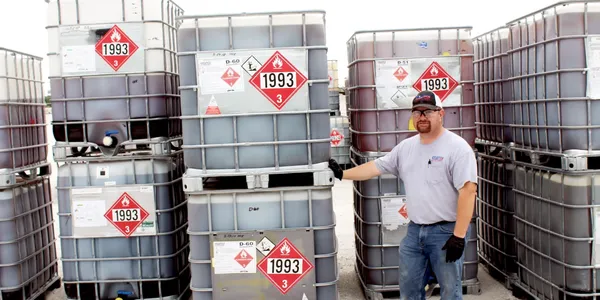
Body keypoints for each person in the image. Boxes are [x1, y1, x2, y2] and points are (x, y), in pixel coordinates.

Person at [328, 90, 478, 300]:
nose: (422, 117)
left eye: (428, 111)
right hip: (415, 232)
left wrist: (459, 236)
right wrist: (342, 174)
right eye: (417, 112)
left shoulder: (457, 148)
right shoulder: (407, 148)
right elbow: (375, 167)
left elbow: (468, 191)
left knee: (450, 291)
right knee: (409, 288)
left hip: (446, 233)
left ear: (441, 113)